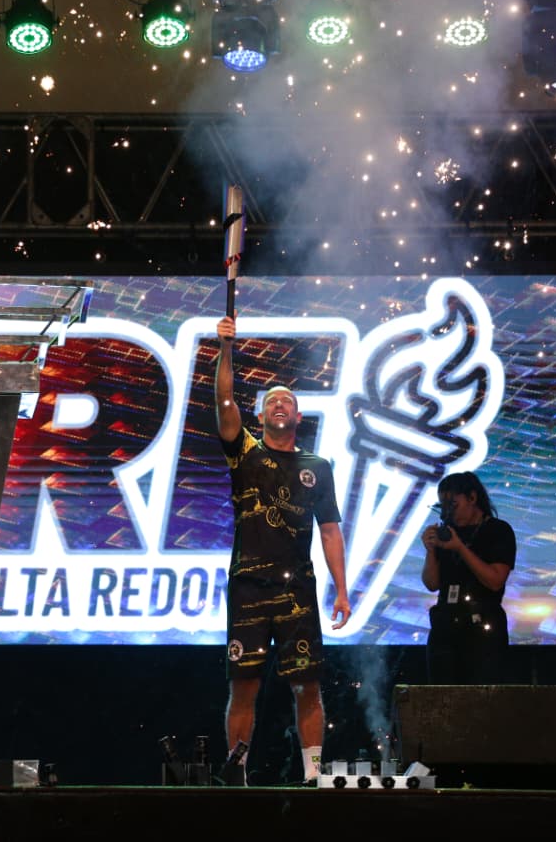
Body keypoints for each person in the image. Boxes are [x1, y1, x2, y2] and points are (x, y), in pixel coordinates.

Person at [214, 315, 351, 785]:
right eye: (271, 400)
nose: (279, 404)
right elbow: (224, 400)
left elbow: (330, 531)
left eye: (287, 401)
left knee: (307, 686)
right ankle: (237, 772)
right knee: (244, 686)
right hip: (249, 588)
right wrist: (225, 349)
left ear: (298, 417)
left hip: (297, 590)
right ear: (259, 416)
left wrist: (342, 590)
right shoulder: (245, 453)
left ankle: (313, 776)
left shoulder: (318, 467)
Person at [421, 471, 516, 684]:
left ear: (472, 498)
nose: (447, 512)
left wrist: (460, 548)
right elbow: (432, 583)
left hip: (483, 630)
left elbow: (495, 580)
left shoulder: (497, 530)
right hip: (445, 628)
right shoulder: (447, 532)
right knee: (441, 695)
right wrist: (431, 550)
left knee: (482, 696)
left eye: (453, 504)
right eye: (443, 505)